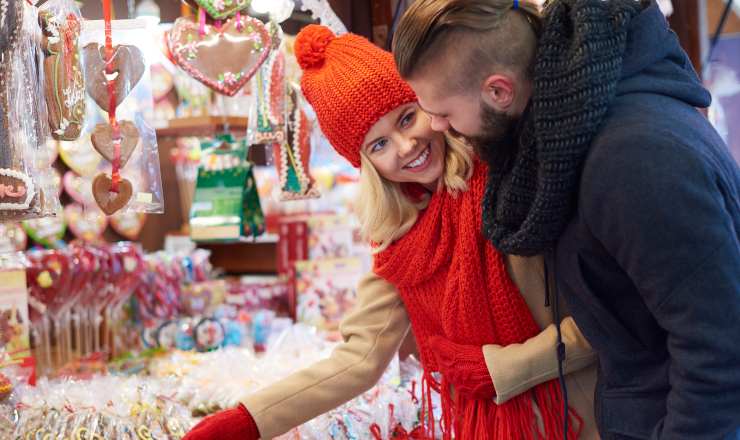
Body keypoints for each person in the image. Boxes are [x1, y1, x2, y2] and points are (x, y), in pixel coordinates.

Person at [184, 24, 599, 440]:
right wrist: (245, 421)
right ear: (365, 165)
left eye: (406, 118)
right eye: (378, 145)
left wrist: (501, 369)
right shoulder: (402, 240)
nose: (405, 147)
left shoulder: (510, 180)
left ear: (430, 104)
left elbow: (608, 318)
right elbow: (358, 358)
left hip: (585, 416)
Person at [392, 0, 740, 439]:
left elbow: (719, 349)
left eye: (443, 112)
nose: (437, 126)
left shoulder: (633, 161)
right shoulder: (565, 142)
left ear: (499, 91)